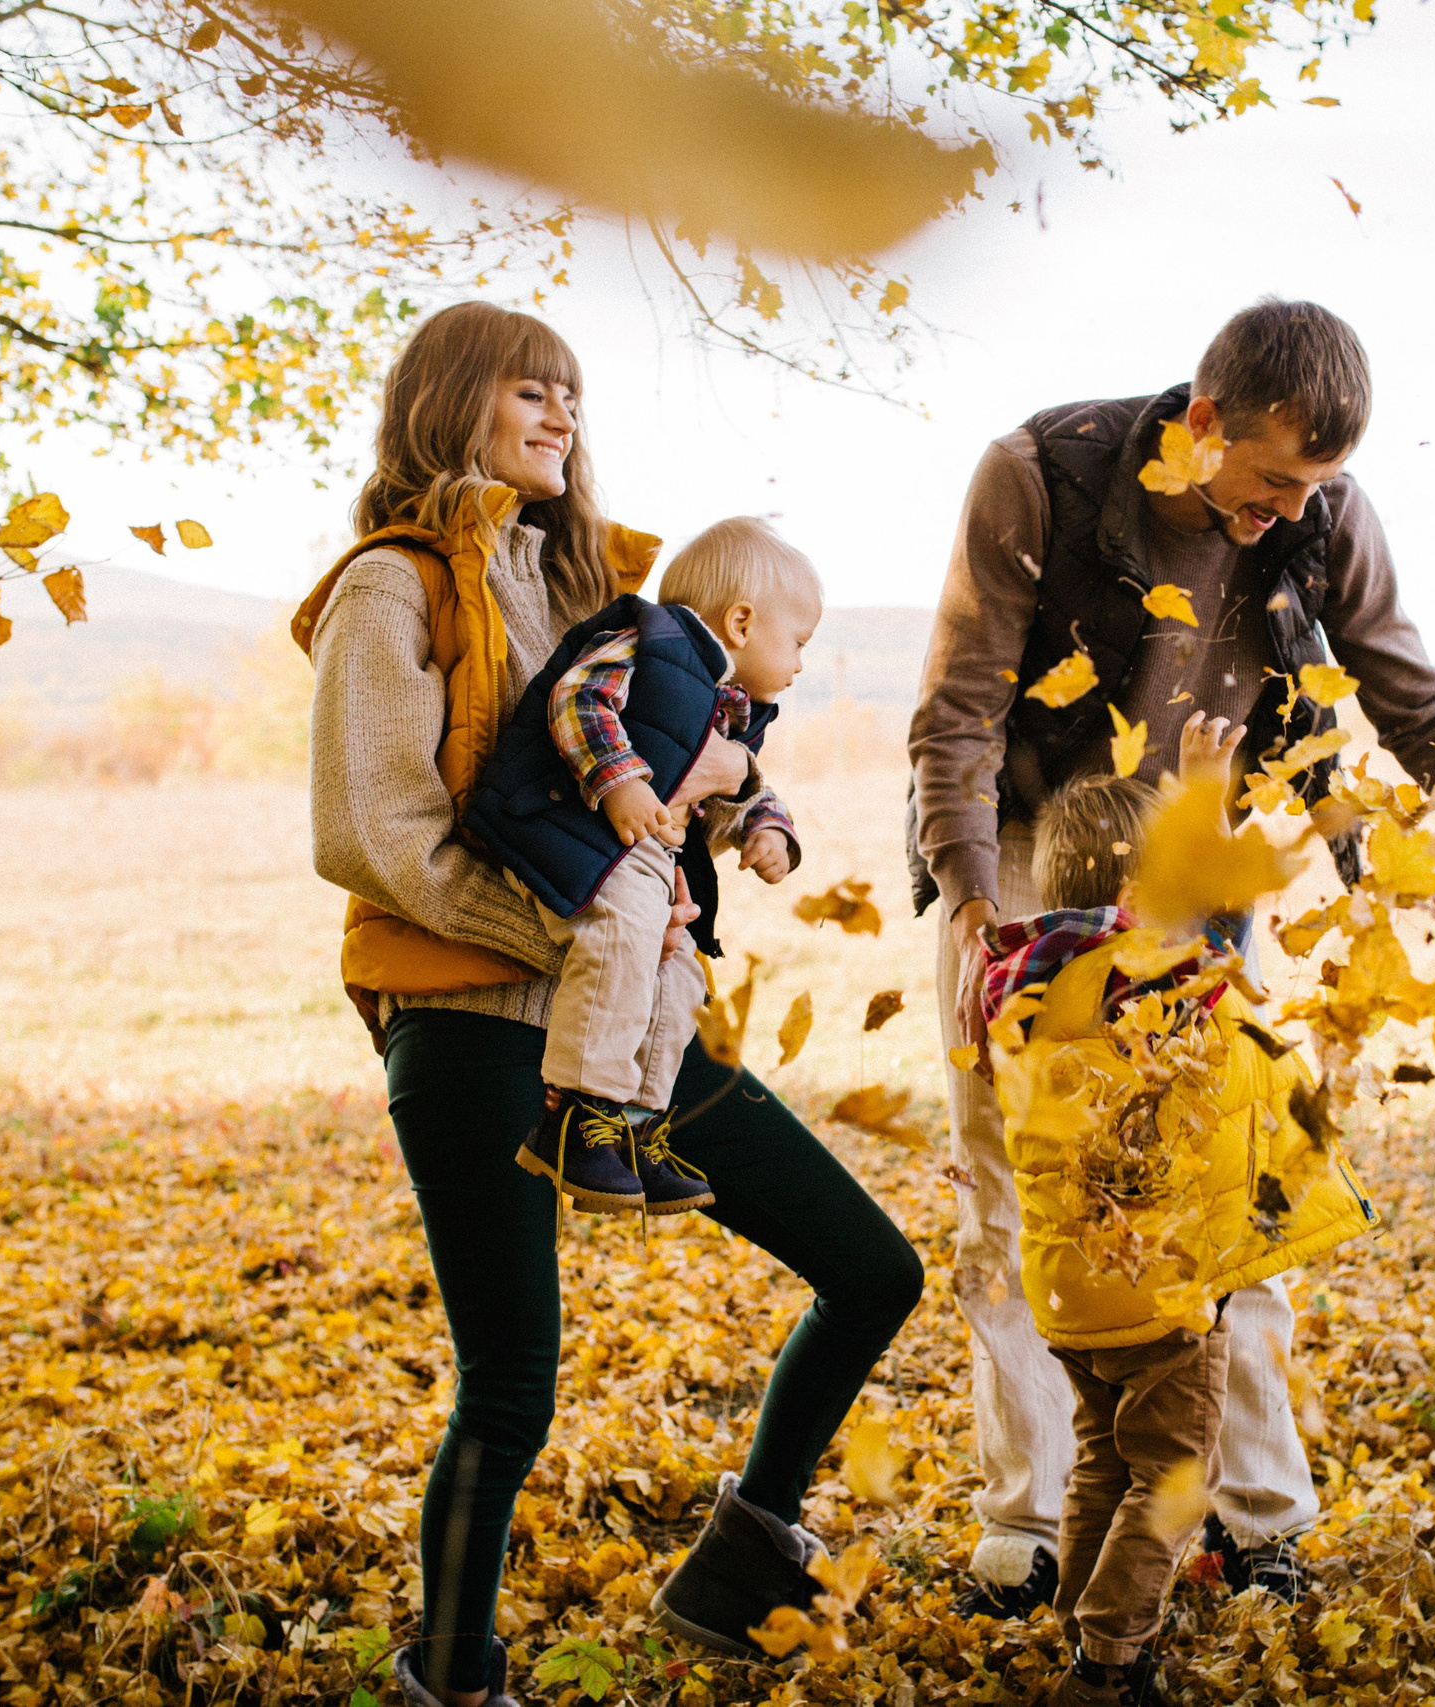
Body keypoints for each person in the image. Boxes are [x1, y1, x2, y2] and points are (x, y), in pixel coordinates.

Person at [908, 295, 1435, 1611]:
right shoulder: (1041, 476)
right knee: (1019, 1201)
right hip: (1031, 869)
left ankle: (1255, 1516)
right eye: (1267, 483)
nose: (1286, 511)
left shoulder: (1326, 518)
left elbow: (1419, 707)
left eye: (1315, 486)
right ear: (1202, 425)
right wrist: (975, 916)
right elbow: (959, 711)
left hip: (1199, 872)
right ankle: (1029, 1525)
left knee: (1225, 1204)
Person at [296, 302, 922, 1707]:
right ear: (451, 400)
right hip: (466, 1021)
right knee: (514, 1381)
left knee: (875, 1266)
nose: (563, 417)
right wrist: (574, 923)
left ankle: (743, 1553)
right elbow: (369, 827)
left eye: (573, 397)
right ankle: (453, 1675)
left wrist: (732, 818)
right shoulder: (390, 590)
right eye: (533, 391)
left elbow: (659, 761)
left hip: (627, 1022)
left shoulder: (595, 589)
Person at [982, 742, 1377, 1707]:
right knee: (1171, 1478)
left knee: (1101, 1464)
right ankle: (1110, 1663)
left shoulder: (1017, 991)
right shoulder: (1160, 981)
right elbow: (1226, 970)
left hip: (1070, 1297)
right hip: (1165, 1296)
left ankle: (1081, 1613)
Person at [463, 517, 819, 1214]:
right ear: (742, 621)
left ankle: (632, 1128)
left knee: (680, 972)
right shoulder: (654, 642)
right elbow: (580, 696)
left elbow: (727, 782)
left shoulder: (726, 709)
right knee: (622, 934)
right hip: (569, 824)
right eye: (799, 642)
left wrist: (768, 826)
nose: (802, 663)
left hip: (643, 858)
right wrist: (619, 778)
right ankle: (572, 1115)